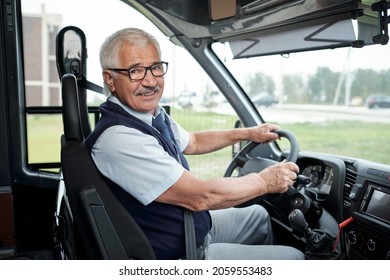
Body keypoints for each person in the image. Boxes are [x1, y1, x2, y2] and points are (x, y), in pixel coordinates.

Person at [85, 27, 305, 260]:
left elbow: (194, 142)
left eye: (156, 68)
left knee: (259, 217)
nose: (150, 81)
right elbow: (201, 197)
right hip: (180, 254)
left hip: (191, 227)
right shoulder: (119, 138)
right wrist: (264, 181)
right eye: (135, 71)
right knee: (295, 259)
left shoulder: (149, 115)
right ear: (110, 79)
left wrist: (248, 133)